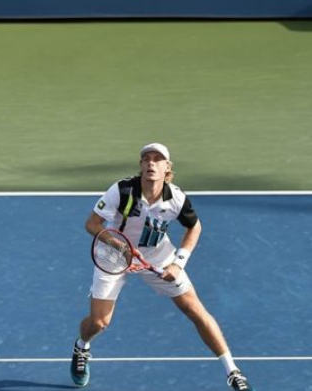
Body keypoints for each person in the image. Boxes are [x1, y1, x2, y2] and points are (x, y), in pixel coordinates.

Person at [69, 143, 255, 391]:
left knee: (194, 308)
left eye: (158, 159)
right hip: (114, 255)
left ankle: (233, 372)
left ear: (167, 168)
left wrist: (178, 263)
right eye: (146, 159)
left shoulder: (176, 198)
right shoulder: (122, 190)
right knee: (99, 322)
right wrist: (118, 245)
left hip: (157, 254)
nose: (151, 163)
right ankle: (82, 346)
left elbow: (194, 227)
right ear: (141, 166)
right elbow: (92, 224)